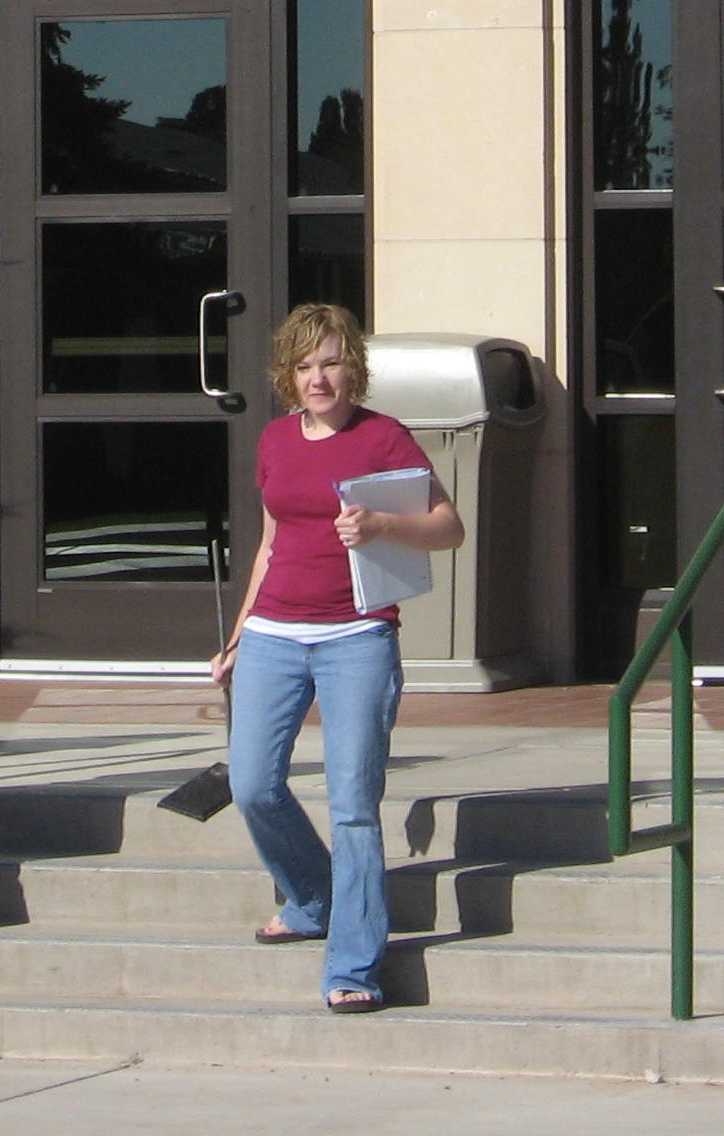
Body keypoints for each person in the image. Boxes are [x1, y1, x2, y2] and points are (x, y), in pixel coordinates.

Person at [213, 302, 465, 1014]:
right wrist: (237, 637)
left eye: (329, 362)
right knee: (253, 784)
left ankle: (353, 964)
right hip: (274, 632)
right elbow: (269, 542)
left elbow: (449, 528)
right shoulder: (274, 440)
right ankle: (312, 897)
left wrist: (385, 523)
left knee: (354, 804)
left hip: (358, 634)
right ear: (287, 375)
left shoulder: (384, 438)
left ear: (353, 367)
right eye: (303, 365)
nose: (317, 378)